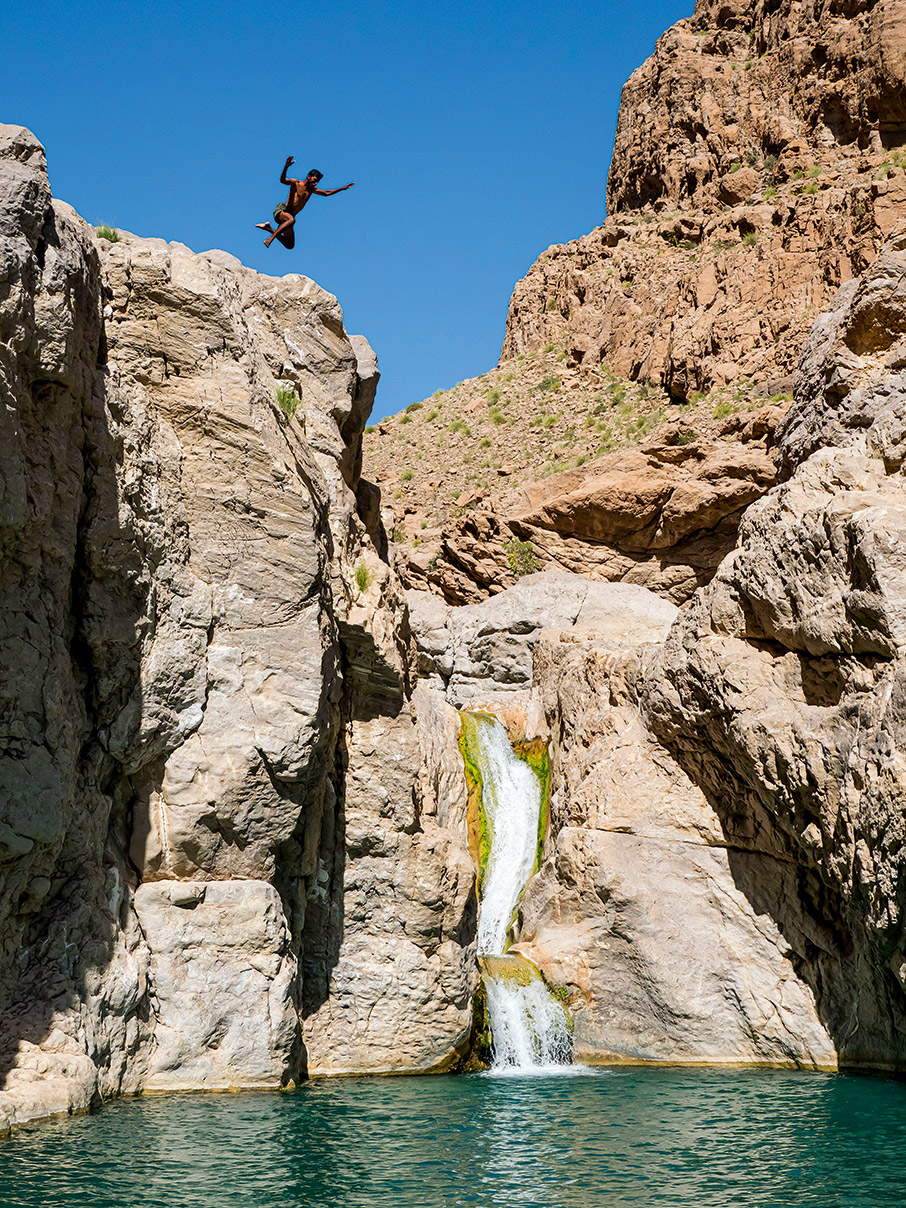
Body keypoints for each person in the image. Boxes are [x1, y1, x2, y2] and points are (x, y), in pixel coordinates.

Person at [256, 156, 354, 248]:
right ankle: (270, 239)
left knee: (289, 245)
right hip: (282, 211)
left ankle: (268, 228)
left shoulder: (312, 190)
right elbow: (283, 180)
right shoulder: (297, 183)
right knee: (291, 220)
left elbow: (326, 193)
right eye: (314, 180)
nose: (315, 183)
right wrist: (286, 167)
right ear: (308, 176)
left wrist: (342, 188)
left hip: (290, 217)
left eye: (317, 182)